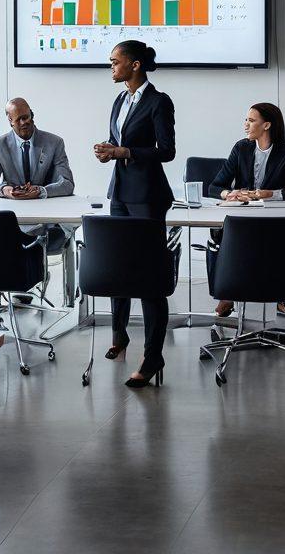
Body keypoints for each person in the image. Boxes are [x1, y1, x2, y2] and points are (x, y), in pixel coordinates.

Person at [93, 40, 175, 388]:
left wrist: (125, 150)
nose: (111, 67)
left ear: (135, 65)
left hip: (147, 197)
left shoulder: (159, 101)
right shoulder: (120, 99)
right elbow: (120, 139)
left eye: (115, 62)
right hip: (120, 194)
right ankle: (120, 335)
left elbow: (167, 151)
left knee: (148, 277)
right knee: (117, 268)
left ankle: (153, 355)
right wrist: (108, 150)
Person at [208, 102, 285, 318]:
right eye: (246, 119)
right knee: (230, 236)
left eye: (251, 120)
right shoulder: (241, 148)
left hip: (275, 221)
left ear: (267, 125)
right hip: (242, 218)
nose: (245, 124)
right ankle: (228, 291)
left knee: (268, 241)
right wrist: (229, 194)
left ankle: (277, 295)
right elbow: (214, 186)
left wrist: (270, 193)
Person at [0, 97, 75, 268]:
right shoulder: (0, 144)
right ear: (10, 121)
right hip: (13, 221)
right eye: (19, 119)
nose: (25, 122)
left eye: (27, 116)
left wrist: (41, 191)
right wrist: (6, 190)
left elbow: (67, 183)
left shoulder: (54, 143)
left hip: (48, 221)